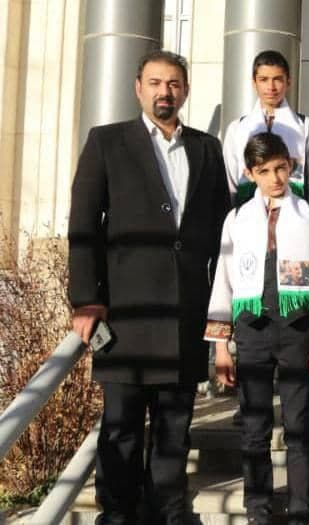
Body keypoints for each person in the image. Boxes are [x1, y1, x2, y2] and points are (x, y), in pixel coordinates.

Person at [68, 50, 230, 524]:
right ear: (138, 87)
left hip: (185, 313)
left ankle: (167, 513)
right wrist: (86, 299)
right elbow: (83, 225)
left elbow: (222, 229)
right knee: (121, 426)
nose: (165, 92)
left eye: (174, 84)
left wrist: (221, 308)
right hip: (126, 313)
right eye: (156, 83)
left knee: (174, 428)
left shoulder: (207, 148)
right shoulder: (107, 141)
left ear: (185, 91)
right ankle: (117, 514)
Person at [204, 132, 309, 524]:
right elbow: (224, 279)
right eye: (264, 171)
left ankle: (302, 509)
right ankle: (257, 508)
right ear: (250, 174)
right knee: (254, 426)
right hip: (252, 328)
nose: (275, 178)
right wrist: (221, 345)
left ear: (290, 167)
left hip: (296, 327)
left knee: (298, 425)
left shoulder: (308, 214)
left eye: (280, 168)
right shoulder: (237, 219)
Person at [222, 50, 309, 209]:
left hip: (294, 211)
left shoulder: (305, 126)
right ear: (254, 82)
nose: (271, 87)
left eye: (277, 79)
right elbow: (229, 183)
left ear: (288, 82)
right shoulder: (237, 128)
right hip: (248, 211)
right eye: (264, 80)